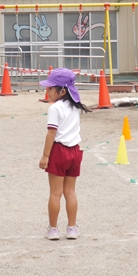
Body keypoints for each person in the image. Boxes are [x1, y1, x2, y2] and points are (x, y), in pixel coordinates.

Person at [38, 68, 90, 240]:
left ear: (62, 91)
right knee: (70, 192)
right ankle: (72, 228)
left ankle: (53, 229)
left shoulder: (55, 108)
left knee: (55, 193)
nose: (47, 91)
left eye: (50, 88)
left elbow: (51, 133)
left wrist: (45, 156)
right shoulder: (75, 106)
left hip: (59, 151)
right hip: (75, 151)